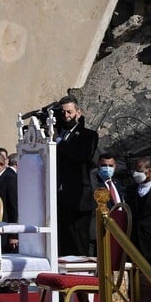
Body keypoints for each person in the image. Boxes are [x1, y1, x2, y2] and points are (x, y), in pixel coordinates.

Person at [55, 95, 98, 256]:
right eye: (63, 113)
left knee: (79, 242)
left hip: (79, 199)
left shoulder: (88, 135)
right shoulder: (57, 134)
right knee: (63, 243)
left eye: (69, 112)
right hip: (59, 199)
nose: (66, 116)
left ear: (78, 112)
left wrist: (59, 142)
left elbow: (82, 156)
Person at [88, 152, 123, 256]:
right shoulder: (94, 184)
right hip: (101, 231)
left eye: (110, 166)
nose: (107, 168)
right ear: (98, 165)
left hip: (118, 230)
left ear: (115, 166)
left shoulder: (117, 183)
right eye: (104, 165)